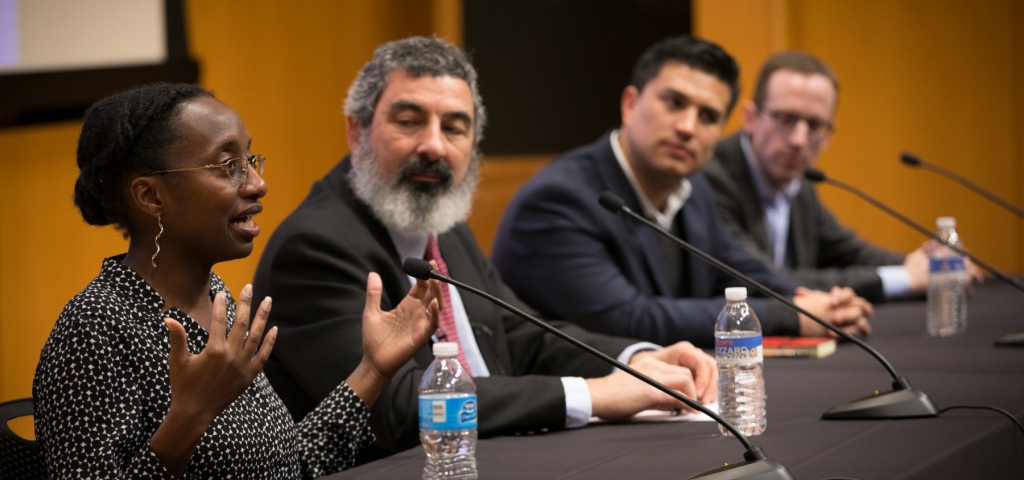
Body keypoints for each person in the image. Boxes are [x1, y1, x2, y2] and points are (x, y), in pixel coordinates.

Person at [253, 36, 718, 460]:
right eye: (410, 121)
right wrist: (595, 395)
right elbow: (398, 410)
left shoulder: (442, 221)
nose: (433, 146)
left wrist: (635, 361)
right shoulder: (316, 247)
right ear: (357, 130)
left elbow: (520, 335)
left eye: (454, 128)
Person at [33, 83, 441, 478]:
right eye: (228, 166)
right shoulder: (95, 329)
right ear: (151, 197)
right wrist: (189, 418)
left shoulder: (216, 302)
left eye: (249, 160)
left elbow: (285, 468)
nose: (257, 183)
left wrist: (373, 370)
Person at [491, 36, 873, 348]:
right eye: (674, 103)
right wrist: (791, 316)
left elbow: (742, 270)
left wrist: (815, 300)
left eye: (708, 116)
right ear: (630, 104)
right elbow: (627, 319)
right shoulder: (559, 200)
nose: (688, 127)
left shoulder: (693, 189)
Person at [702, 51, 980, 303]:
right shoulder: (712, 178)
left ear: (829, 134)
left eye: (814, 125)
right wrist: (905, 278)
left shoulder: (799, 181)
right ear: (751, 118)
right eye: (785, 119)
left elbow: (849, 251)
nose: (799, 140)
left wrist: (926, 264)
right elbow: (765, 278)